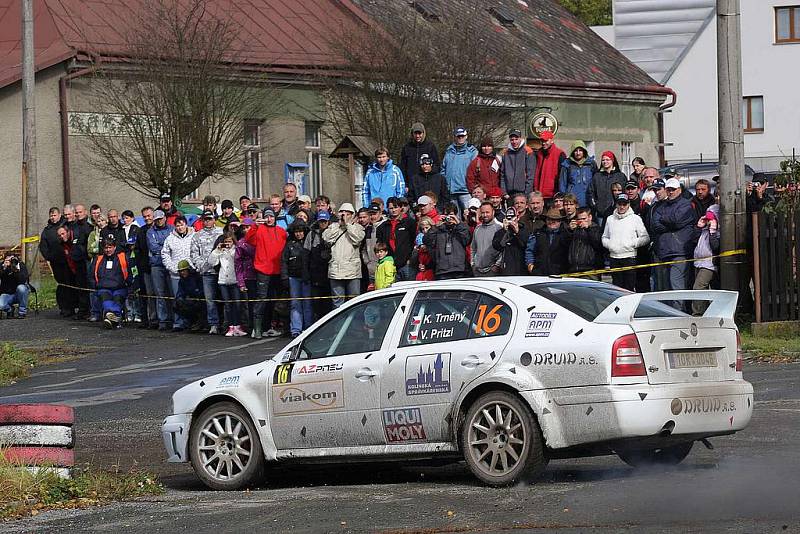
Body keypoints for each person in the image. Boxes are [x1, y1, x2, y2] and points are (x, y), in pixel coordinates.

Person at [650, 178, 699, 293]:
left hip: (680, 251)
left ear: (679, 190)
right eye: (668, 189)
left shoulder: (686, 205)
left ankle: (681, 310)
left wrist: (665, 220)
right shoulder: (661, 206)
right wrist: (670, 224)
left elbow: (677, 221)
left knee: (676, 285)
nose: (670, 192)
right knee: (666, 288)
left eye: (673, 189)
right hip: (664, 251)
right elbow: (655, 224)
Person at [246, 208, 288, 338]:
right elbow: (249, 239)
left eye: (271, 217)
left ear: (275, 218)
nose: (269, 219)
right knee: (261, 299)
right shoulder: (259, 230)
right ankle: (257, 328)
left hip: (277, 270)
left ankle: (273, 326)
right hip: (263, 269)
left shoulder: (281, 231)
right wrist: (255, 225)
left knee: (275, 300)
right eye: (267, 217)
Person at [602, 194, 650, 291]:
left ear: (628, 205)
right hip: (614, 258)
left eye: (624, 204)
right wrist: (610, 245)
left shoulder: (635, 218)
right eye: (620, 204)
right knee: (616, 289)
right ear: (616, 204)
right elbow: (604, 237)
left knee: (629, 288)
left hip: (629, 258)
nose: (622, 207)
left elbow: (645, 237)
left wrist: (632, 244)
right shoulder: (610, 219)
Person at [323, 203, 365, 308]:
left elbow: (357, 239)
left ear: (353, 215)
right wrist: (339, 226)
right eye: (342, 212)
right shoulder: (333, 227)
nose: (344, 215)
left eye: (347, 213)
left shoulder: (358, 228)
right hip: (336, 270)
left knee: (354, 301)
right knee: (337, 303)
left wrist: (348, 225)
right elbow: (326, 238)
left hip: (352, 270)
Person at [190, 210, 224, 334]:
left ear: (214, 219)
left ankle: (227, 323)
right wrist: (202, 267)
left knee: (224, 299)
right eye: (205, 219)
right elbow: (194, 254)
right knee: (210, 300)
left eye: (210, 219)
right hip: (207, 273)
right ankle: (213, 324)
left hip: (222, 271)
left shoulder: (221, 232)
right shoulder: (197, 235)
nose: (208, 221)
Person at [161, 215, 195, 331]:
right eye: (178, 225)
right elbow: (165, 254)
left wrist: (193, 266)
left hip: (191, 274)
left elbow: (196, 251)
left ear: (186, 224)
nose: (180, 227)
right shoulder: (170, 238)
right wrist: (171, 267)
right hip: (175, 274)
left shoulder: (194, 236)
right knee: (177, 299)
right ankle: (178, 322)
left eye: (182, 224)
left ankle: (191, 322)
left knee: (191, 299)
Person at [210, 232, 247, 337]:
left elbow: (237, 260)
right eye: (225, 242)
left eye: (229, 242)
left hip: (235, 280)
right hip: (223, 281)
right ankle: (231, 326)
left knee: (237, 304)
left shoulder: (236, 250)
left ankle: (238, 326)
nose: (227, 244)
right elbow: (212, 262)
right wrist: (217, 251)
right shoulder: (220, 251)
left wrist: (230, 251)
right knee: (228, 305)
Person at [93, 236, 133, 329]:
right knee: (106, 300)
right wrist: (94, 285)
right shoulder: (98, 259)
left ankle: (110, 317)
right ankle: (115, 317)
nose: (108, 250)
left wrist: (130, 286)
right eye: (106, 248)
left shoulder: (123, 257)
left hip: (120, 287)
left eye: (110, 247)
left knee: (117, 299)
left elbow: (130, 272)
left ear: (114, 247)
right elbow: (91, 275)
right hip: (103, 287)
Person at [281, 221, 313, 337]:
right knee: (295, 303)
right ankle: (296, 329)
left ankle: (308, 328)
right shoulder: (289, 244)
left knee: (307, 303)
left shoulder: (308, 242)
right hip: (293, 277)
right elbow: (284, 261)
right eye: (296, 231)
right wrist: (284, 277)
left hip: (306, 277)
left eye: (300, 231)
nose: (298, 234)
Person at [423, 203, 470, 280]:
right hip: (442, 270)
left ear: (455, 215)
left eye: (451, 215)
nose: (449, 218)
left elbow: (467, 240)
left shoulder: (462, 228)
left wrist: (458, 224)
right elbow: (427, 241)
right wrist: (435, 226)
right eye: (446, 215)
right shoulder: (438, 229)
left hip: (459, 270)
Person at [377, 197, 417, 282]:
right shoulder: (383, 226)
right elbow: (380, 245)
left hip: (406, 264)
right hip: (390, 264)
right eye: (391, 208)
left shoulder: (410, 222)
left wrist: (410, 259)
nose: (393, 210)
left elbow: (415, 241)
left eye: (396, 207)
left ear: (400, 208)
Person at [39, 207, 70, 316]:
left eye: (54, 215)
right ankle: (64, 307)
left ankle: (74, 306)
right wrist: (49, 256)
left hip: (69, 260)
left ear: (59, 215)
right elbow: (43, 246)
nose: (53, 217)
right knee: (61, 284)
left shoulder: (66, 225)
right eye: (51, 216)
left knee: (71, 283)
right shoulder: (47, 230)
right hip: (56, 261)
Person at [147, 209, 175, 330]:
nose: (158, 221)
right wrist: (166, 248)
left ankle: (174, 319)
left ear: (165, 218)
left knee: (172, 293)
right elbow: (153, 247)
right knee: (160, 294)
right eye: (156, 219)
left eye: (160, 219)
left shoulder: (172, 229)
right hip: (156, 265)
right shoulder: (150, 232)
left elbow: (174, 245)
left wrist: (164, 248)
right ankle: (162, 320)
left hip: (170, 264)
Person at [304, 211, 333, 320]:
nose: (323, 224)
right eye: (321, 221)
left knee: (328, 303)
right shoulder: (311, 235)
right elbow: (306, 254)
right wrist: (306, 272)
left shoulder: (333, 233)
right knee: (316, 304)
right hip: (315, 275)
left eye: (325, 221)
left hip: (329, 274)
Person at [441, 126, 478, 214]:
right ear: (455, 137)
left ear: (466, 136)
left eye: (462, 136)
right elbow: (443, 169)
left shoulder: (472, 152)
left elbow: (476, 171)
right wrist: (445, 183)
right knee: (454, 218)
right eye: (458, 136)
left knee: (469, 216)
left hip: (465, 191)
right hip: (451, 191)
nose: (460, 138)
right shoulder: (449, 151)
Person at [525, 208, 568, 276]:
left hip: (560, 273)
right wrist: (530, 264)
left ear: (560, 221)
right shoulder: (537, 233)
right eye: (549, 219)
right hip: (539, 273)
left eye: (554, 220)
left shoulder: (566, 234)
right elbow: (530, 250)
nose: (551, 221)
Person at [492, 201, 530, 276]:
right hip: (507, 268)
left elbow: (526, 244)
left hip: (522, 268)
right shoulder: (502, 231)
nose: (510, 220)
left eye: (512, 218)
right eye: (508, 218)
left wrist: (517, 231)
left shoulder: (524, 229)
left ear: (517, 217)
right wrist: (504, 230)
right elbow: (497, 246)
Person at [589, 151, 626, 225]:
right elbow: (591, 192)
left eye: (607, 160)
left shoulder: (620, 176)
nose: (605, 162)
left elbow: (625, 193)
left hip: (616, 212)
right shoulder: (597, 176)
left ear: (612, 161)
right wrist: (596, 206)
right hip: (601, 213)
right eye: (603, 160)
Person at [136, 207, 158, 328]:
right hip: (145, 267)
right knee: (149, 294)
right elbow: (139, 250)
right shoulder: (141, 231)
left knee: (160, 294)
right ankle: (151, 319)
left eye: (149, 215)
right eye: (144, 216)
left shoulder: (158, 229)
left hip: (158, 265)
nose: (147, 218)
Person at [565, 208, 604, 278]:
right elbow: (564, 245)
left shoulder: (596, 229)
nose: (581, 221)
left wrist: (588, 229)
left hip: (590, 271)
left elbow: (598, 245)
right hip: (573, 270)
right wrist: (569, 230)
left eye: (584, 219)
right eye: (579, 219)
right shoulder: (574, 230)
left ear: (590, 217)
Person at [69, 204, 92, 320]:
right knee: (81, 286)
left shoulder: (89, 226)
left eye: (80, 212)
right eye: (76, 212)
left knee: (90, 285)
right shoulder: (72, 227)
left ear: (85, 212)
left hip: (87, 259)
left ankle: (91, 310)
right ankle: (82, 310)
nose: (78, 214)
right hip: (77, 259)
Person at [235, 218, 258, 332]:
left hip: (260, 273)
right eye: (243, 228)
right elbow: (238, 263)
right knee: (251, 303)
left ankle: (264, 325)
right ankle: (253, 326)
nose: (245, 230)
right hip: (248, 275)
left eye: (247, 227)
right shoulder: (241, 243)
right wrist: (241, 281)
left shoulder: (259, 239)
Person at [559, 141, 597, 208]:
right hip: (572, 200)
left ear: (584, 151)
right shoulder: (567, 164)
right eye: (576, 151)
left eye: (580, 150)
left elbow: (596, 181)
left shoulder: (591, 163)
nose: (578, 153)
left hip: (588, 199)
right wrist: (564, 198)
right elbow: (562, 183)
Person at [471, 202, 503, 276]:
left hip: (492, 271)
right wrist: (473, 264)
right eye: (483, 212)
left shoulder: (499, 228)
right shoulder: (477, 228)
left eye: (487, 212)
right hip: (477, 271)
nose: (485, 215)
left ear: (493, 212)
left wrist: (497, 265)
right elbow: (473, 248)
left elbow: (503, 249)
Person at [500, 128, 535, 197]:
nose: (514, 141)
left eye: (516, 139)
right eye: (512, 139)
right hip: (509, 193)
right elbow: (502, 175)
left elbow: (530, 175)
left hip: (523, 192)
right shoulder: (505, 153)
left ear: (520, 139)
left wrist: (526, 193)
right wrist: (504, 192)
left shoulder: (528, 151)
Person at [173, 259, 205, 331]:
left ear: (188, 270)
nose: (182, 273)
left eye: (184, 270)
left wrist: (197, 295)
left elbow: (202, 290)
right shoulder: (182, 280)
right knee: (177, 304)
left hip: (199, 300)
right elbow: (180, 292)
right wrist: (180, 299)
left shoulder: (197, 277)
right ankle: (191, 322)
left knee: (199, 306)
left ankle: (201, 322)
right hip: (190, 300)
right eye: (181, 271)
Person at [55, 225, 80, 315]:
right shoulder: (60, 244)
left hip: (78, 266)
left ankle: (83, 309)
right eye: (59, 235)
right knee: (68, 288)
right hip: (68, 267)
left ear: (68, 232)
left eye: (63, 234)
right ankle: (69, 308)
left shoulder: (74, 240)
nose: (62, 236)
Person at [533, 131, 566, 200]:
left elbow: (562, 177)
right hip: (538, 195)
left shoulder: (560, 154)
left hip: (553, 196)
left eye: (546, 140)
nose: (543, 143)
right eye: (542, 141)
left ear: (552, 140)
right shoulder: (537, 154)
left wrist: (558, 193)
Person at [0, 253, 30, 319]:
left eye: (12, 260)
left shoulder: (20, 265)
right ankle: (10, 310)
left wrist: (16, 270)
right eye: (9, 260)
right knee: (1, 305)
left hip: (19, 294)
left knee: (21, 288)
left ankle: (22, 312)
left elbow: (23, 280)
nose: (11, 262)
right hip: (7, 294)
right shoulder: (2, 266)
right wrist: (4, 268)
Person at [357, 208, 379, 292]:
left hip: (370, 264)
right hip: (360, 265)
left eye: (364, 217)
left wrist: (367, 260)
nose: (362, 219)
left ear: (369, 217)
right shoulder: (356, 229)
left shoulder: (373, 229)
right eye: (360, 217)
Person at [410, 216, 435, 281]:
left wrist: (428, 248)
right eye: (423, 229)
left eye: (427, 228)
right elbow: (413, 262)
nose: (425, 231)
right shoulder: (419, 241)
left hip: (432, 273)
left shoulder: (435, 239)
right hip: (422, 274)